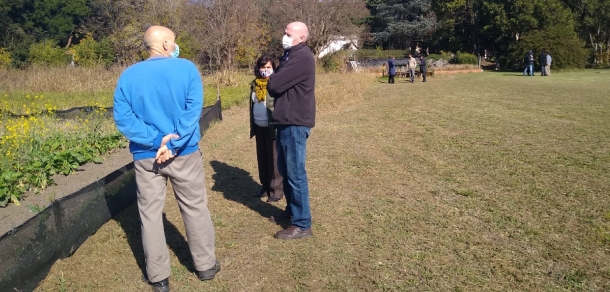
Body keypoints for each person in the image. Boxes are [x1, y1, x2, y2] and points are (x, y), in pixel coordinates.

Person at [113, 25, 220, 292]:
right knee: (194, 207)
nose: (175, 46)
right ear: (164, 45)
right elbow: (192, 110)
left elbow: (124, 118)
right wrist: (172, 141)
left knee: (149, 214)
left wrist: (153, 140)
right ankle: (205, 265)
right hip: (183, 153)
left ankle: (158, 276)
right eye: (173, 42)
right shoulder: (187, 69)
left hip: (146, 157)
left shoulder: (128, 76)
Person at [267, 21, 315, 240]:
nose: (284, 36)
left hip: (295, 122)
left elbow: (275, 85)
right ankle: (293, 211)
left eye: (288, 33)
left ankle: (302, 224)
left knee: (295, 173)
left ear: (301, 37)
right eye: (284, 31)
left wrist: (272, 78)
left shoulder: (302, 56)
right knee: (286, 171)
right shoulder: (289, 55)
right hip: (285, 121)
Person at [249, 55, 284, 203]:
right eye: (263, 67)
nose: (265, 70)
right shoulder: (254, 84)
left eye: (268, 67)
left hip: (272, 127)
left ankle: (276, 191)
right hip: (258, 126)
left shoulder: (276, 84)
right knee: (262, 158)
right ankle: (264, 187)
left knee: (274, 160)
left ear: (274, 68)